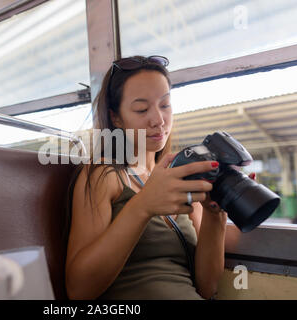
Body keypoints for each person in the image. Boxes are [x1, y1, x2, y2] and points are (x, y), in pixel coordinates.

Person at [64, 55, 249, 300]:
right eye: (142, 109)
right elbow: (79, 290)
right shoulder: (104, 175)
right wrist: (142, 206)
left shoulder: (183, 177)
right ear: (116, 117)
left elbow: (207, 287)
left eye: (165, 105)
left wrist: (216, 214)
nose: (158, 120)